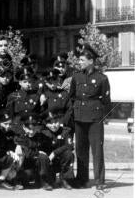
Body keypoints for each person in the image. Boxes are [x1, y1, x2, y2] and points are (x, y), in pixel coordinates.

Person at [69, 44, 111, 190]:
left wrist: (102, 117)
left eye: (82, 60)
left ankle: (100, 180)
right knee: (81, 150)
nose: (79, 62)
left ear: (91, 61)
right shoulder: (76, 76)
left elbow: (106, 102)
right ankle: (82, 179)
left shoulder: (102, 78)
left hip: (95, 119)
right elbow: (72, 96)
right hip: (79, 117)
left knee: (97, 150)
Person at [40, 114, 74, 190]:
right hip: (49, 162)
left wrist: (55, 153)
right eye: (50, 123)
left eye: (56, 122)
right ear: (46, 124)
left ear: (60, 121)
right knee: (42, 156)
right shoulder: (43, 133)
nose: (54, 125)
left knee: (69, 154)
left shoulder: (65, 131)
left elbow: (70, 146)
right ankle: (46, 180)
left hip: (61, 160)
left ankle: (65, 180)